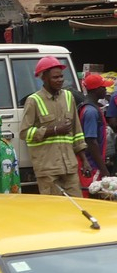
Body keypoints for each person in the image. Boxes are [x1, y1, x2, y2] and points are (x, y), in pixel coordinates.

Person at [20, 56, 91, 197]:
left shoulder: (69, 97)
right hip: (48, 169)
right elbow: (24, 133)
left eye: (61, 76)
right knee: (54, 210)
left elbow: (77, 131)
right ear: (44, 78)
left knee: (77, 206)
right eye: (55, 77)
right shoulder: (33, 101)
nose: (60, 80)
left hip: (69, 167)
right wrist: (53, 130)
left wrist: (84, 160)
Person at [78, 73, 111, 192]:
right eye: (103, 87)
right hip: (92, 165)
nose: (106, 89)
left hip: (93, 163)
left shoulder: (89, 107)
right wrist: (103, 169)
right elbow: (91, 141)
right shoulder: (91, 112)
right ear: (97, 90)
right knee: (91, 197)